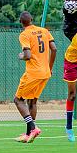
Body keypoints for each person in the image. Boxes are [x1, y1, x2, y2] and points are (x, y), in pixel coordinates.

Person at [13, 11, 56, 143]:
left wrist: (21, 56)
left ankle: (33, 128)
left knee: (18, 100)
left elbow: (27, 55)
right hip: (45, 73)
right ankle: (28, 134)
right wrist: (50, 68)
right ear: (31, 19)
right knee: (32, 102)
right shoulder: (44, 31)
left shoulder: (24, 34)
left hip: (33, 73)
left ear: (20, 22)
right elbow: (54, 49)